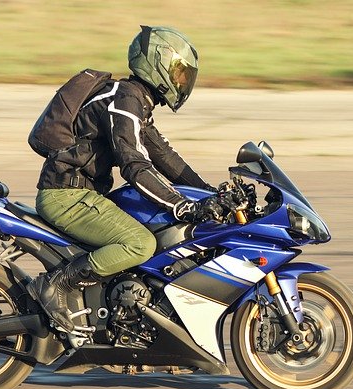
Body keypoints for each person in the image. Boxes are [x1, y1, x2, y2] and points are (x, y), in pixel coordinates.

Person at [26, 25, 226, 332]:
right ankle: (56, 285)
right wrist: (181, 206)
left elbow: (165, 157)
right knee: (140, 243)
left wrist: (210, 196)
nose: (182, 81)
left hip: (85, 195)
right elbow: (134, 165)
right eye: (179, 72)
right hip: (67, 197)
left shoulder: (135, 103)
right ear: (157, 65)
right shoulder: (124, 101)